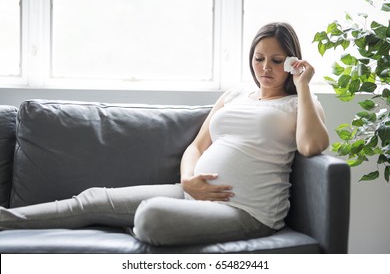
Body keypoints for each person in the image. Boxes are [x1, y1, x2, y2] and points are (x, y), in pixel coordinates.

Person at [0, 22, 329, 246]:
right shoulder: (233, 96)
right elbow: (197, 147)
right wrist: (188, 181)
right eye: (259, 59)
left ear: (292, 63)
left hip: (246, 211)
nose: (265, 68)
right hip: (191, 193)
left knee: (151, 216)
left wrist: (303, 86)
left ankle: (144, 222)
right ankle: (6, 220)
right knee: (94, 197)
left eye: (276, 60)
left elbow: (312, 146)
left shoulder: (299, 103)